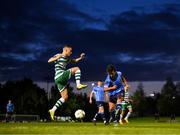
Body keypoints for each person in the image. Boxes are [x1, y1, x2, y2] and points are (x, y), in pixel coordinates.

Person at [48, 45, 87, 120]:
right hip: (60, 75)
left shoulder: (66, 58)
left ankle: (52, 110)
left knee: (65, 97)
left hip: (58, 79)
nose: (71, 52)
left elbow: (74, 61)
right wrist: (57, 57)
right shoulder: (59, 55)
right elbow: (49, 60)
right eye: (70, 51)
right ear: (65, 50)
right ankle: (78, 85)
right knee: (77, 69)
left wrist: (80, 58)